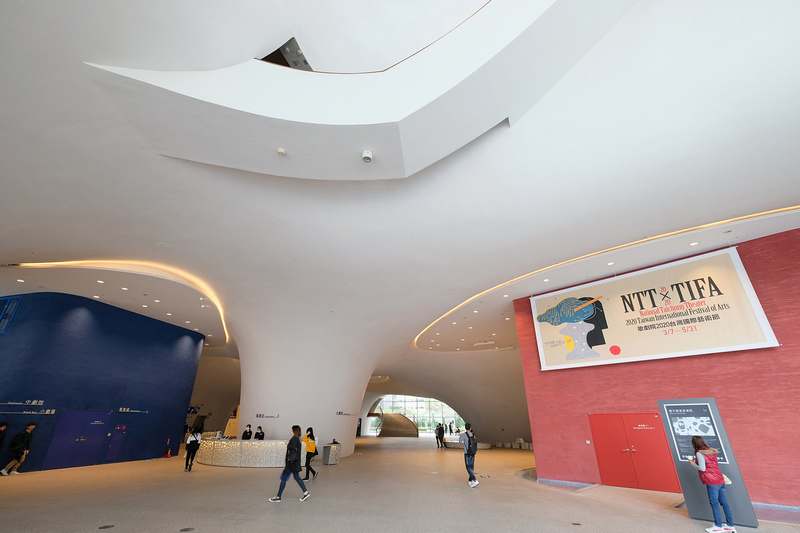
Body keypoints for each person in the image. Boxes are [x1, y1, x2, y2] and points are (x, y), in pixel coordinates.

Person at [689, 436, 736, 533]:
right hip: (720, 479)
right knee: (724, 504)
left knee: (714, 504)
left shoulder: (699, 453)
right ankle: (730, 525)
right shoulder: (711, 451)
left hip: (712, 482)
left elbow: (702, 468)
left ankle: (718, 526)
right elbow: (714, 465)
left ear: (694, 444)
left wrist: (692, 463)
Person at [269, 425, 310, 502]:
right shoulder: (297, 439)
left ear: (294, 431)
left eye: (291, 430)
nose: (290, 431)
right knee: (296, 477)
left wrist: (288, 443)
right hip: (294, 463)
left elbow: (293, 447)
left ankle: (278, 497)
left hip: (291, 464)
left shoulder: (294, 439)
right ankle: (306, 492)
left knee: (284, 478)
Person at [458, 422, 478, 487]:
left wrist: (460, 435)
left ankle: (475, 480)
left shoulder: (464, 435)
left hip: (467, 453)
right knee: (471, 467)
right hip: (473, 453)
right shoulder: (473, 435)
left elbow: (460, 441)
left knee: (467, 467)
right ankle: (470, 481)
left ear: (465, 428)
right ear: (470, 428)